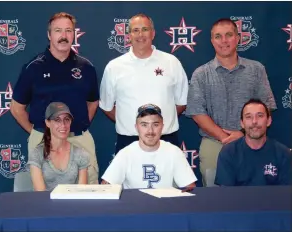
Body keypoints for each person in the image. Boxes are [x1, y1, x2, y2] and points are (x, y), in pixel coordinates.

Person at [10, 12, 100, 184]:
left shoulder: (86, 67)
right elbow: (16, 108)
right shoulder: (33, 67)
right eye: (58, 30)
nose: (63, 36)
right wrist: (38, 133)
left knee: (89, 196)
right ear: (49, 35)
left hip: (79, 138)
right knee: (42, 198)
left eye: (68, 31)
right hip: (44, 140)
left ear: (74, 34)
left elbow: (93, 102)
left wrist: (78, 125)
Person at [185, 18, 277, 186]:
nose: (224, 41)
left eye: (229, 35)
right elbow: (197, 112)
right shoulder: (201, 74)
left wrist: (243, 134)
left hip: (253, 143)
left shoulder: (256, 69)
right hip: (214, 144)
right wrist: (224, 137)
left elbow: (267, 106)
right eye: (218, 36)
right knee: (215, 201)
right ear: (212, 41)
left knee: (255, 198)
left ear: (238, 38)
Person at [99, 13, 188, 154]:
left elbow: (181, 103)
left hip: (166, 140)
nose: (140, 34)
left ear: (153, 33)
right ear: (128, 36)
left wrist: (157, 123)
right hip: (128, 141)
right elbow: (107, 106)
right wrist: (130, 123)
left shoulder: (171, 62)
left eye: (145, 29)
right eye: (135, 30)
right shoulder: (114, 67)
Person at [101, 104, 197, 190]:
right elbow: (106, 187)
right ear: (136, 127)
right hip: (134, 207)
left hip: (166, 206)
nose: (150, 131)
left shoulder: (174, 151)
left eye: (155, 125)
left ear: (162, 127)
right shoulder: (125, 154)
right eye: (144, 125)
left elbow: (190, 188)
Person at [215, 99, 291, 186]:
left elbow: (285, 195)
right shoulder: (229, 153)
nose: (254, 121)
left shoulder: (283, 154)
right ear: (242, 123)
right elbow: (226, 195)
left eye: (260, 116)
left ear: (269, 121)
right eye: (248, 117)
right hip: (238, 200)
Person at [28, 102, 90, 191]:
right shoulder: (36, 153)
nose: (63, 125)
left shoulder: (81, 154)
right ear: (47, 123)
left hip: (73, 204)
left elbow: (81, 193)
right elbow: (40, 195)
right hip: (44, 204)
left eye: (67, 119)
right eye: (57, 120)